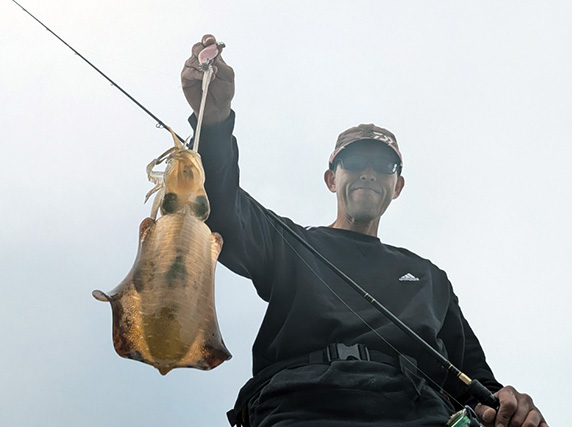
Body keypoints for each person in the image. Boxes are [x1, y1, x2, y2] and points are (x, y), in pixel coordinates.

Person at [181, 35, 548, 427]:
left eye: (383, 165)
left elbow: (479, 384)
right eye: (354, 161)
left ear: (398, 186)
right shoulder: (290, 244)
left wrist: (511, 405)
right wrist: (215, 119)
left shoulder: (429, 277)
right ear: (331, 178)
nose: (368, 172)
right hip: (299, 409)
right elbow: (218, 208)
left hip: (417, 413)